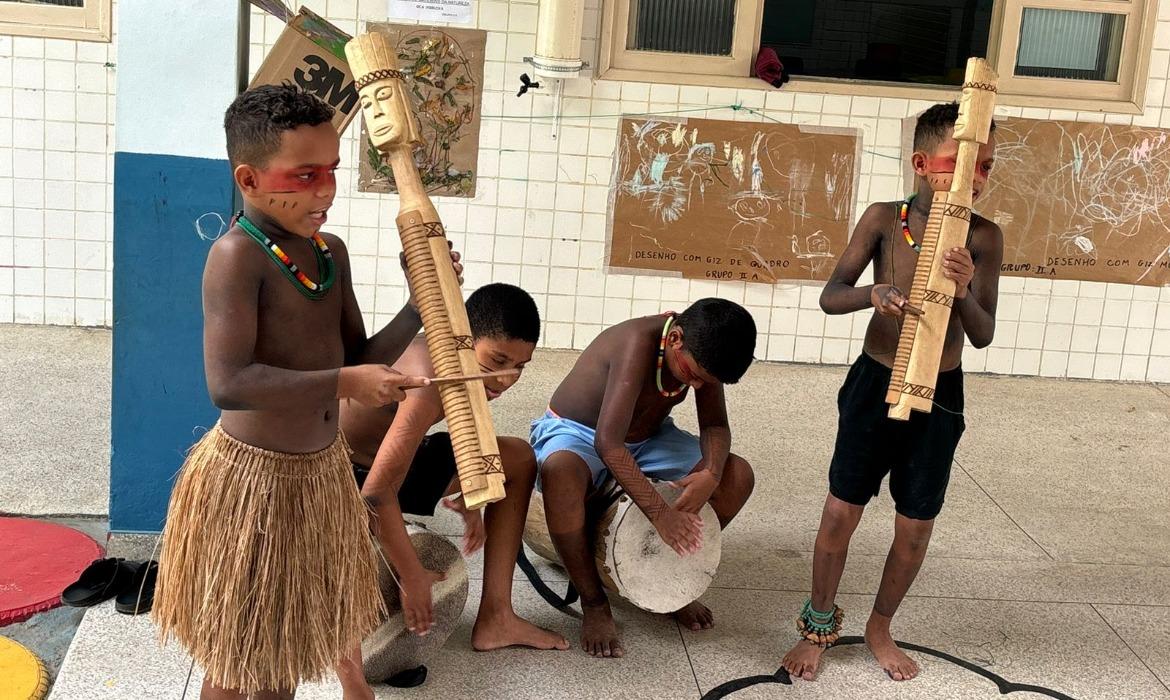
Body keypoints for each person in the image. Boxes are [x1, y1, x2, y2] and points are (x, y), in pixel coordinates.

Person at [152, 84, 459, 700]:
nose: (325, 189)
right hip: (253, 483)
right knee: (241, 661)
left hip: (317, 479)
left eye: (333, 172)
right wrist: (348, 383)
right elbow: (229, 383)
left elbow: (357, 356)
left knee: (281, 658)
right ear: (249, 177)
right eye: (305, 174)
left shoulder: (328, 253)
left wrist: (418, 300)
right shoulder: (236, 257)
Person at [780, 101, 1002, 683]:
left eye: (984, 168)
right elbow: (831, 294)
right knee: (840, 511)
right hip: (875, 381)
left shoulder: (983, 238)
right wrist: (873, 295)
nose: (972, 180)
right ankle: (817, 625)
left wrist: (962, 288)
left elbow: (982, 335)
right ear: (922, 163)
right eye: (959, 165)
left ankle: (881, 624)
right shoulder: (885, 219)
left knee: (915, 523)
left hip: (941, 392)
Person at [341, 282, 569, 653]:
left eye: (520, 367)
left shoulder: (461, 361)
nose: (507, 379)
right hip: (347, 478)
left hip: (396, 460)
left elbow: (471, 426)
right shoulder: (429, 379)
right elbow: (376, 492)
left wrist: (476, 495)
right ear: (464, 337)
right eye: (497, 361)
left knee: (517, 458)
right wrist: (413, 575)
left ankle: (498, 617)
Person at [532, 298, 758, 658]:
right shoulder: (637, 342)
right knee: (560, 473)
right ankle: (593, 601)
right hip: (579, 433)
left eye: (706, 382)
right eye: (694, 375)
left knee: (737, 475)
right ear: (676, 339)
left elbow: (714, 424)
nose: (698, 386)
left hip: (649, 438)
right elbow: (608, 443)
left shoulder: (700, 353)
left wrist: (712, 473)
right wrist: (661, 514)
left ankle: (668, 579)